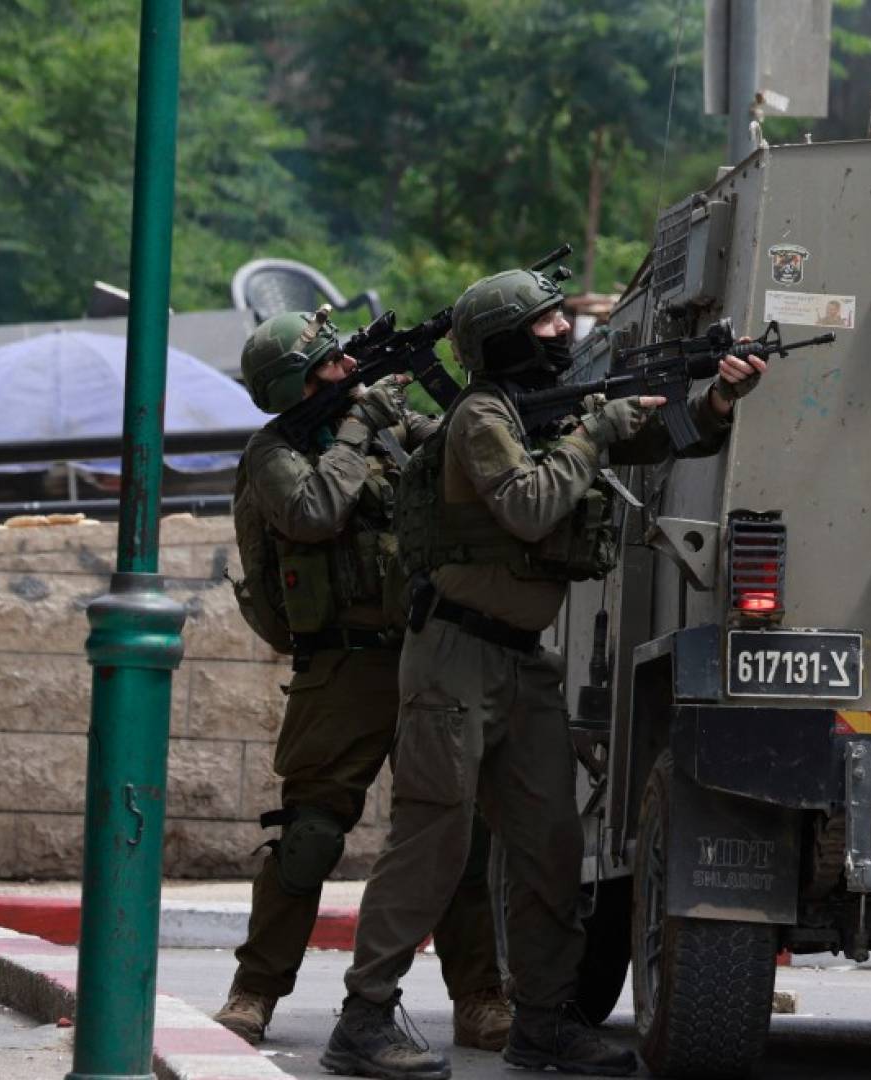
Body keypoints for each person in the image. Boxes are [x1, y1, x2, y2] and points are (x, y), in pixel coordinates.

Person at [326, 268, 766, 1079]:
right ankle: (363, 1018)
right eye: (546, 322)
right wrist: (593, 432)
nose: (564, 331)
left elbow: (670, 433)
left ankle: (542, 1020)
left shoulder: (549, 412)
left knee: (551, 844)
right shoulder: (481, 419)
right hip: (454, 653)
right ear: (504, 341)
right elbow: (529, 506)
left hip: (523, 662)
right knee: (433, 835)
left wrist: (716, 399)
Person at [219, 310, 511, 1056]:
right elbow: (313, 512)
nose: (349, 369)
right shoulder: (274, 452)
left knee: (458, 831)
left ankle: (480, 996)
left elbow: (454, 455)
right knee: (310, 835)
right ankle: (254, 991)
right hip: (343, 666)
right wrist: (356, 430)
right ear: (301, 382)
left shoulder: (383, 425)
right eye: (332, 364)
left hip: (426, 649)